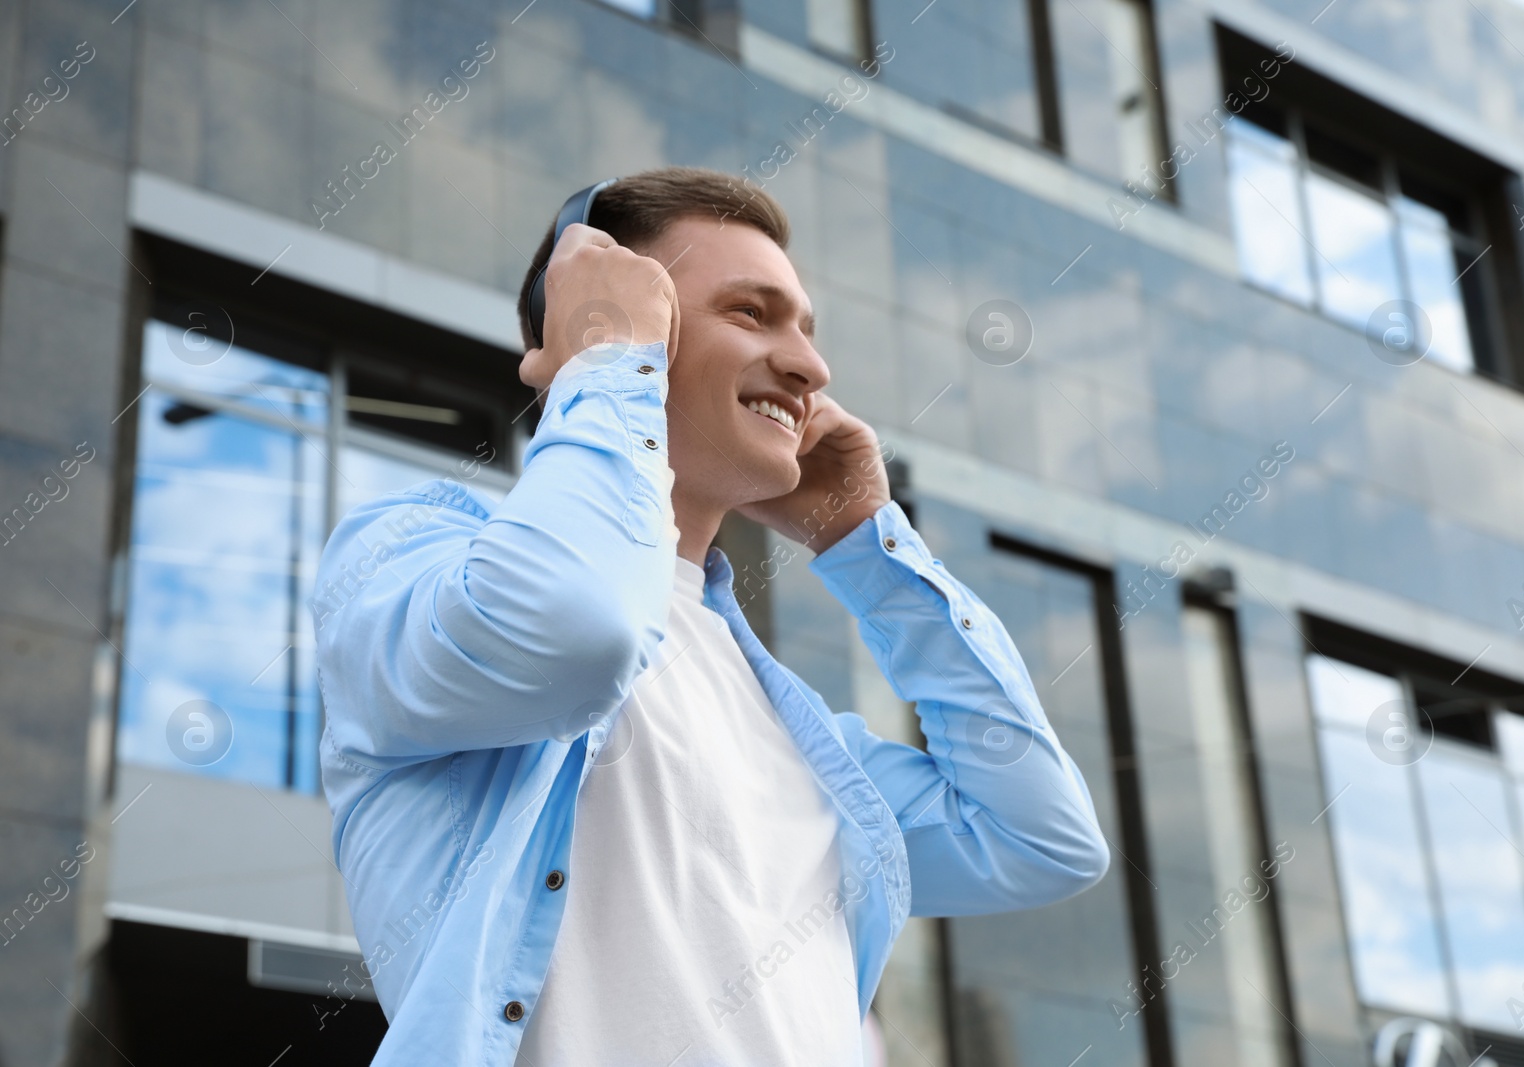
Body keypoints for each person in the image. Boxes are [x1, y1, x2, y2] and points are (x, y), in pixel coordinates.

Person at [313, 166, 1110, 1066]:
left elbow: (1040, 837)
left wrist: (867, 548)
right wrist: (608, 362)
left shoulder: (793, 728)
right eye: (751, 312)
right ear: (606, 317)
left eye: (805, 328)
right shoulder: (407, 558)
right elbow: (576, 627)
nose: (813, 367)